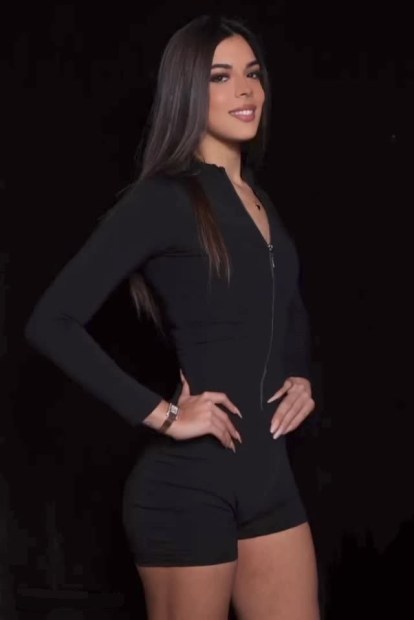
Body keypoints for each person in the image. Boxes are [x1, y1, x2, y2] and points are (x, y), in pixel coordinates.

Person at [24, 14, 320, 620]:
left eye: (253, 74)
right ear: (187, 90)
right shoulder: (164, 198)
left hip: (270, 481)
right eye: (220, 76)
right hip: (188, 487)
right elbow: (51, 320)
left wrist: (301, 374)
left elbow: (285, 307)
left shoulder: (260, 201)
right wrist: (161, 413)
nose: (245, 90)